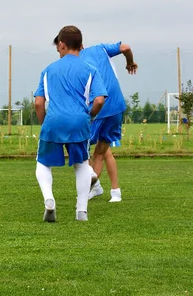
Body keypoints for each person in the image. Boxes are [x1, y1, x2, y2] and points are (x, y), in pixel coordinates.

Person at [34, 26, 107, 222]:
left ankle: (49, 200)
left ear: (62, 44)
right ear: (80, 46)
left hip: (53, 121)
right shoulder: (91, 70)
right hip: (79, 122)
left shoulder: (48, 70)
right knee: (82, 164)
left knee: (43, 163)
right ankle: (81, 211)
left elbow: (38, 102)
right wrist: (89, 116)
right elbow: (99, 100)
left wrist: (45, 125)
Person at [53, 37, 137, 202]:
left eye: (59, 50)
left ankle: (94, 189)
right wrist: (129, 63)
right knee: (101, 152)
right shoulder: (101, 49)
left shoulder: (73, 66)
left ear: (64, 47)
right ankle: (107, 190)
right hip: (117, 106)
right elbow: (126, 47)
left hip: (96, 109)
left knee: (80, 149)